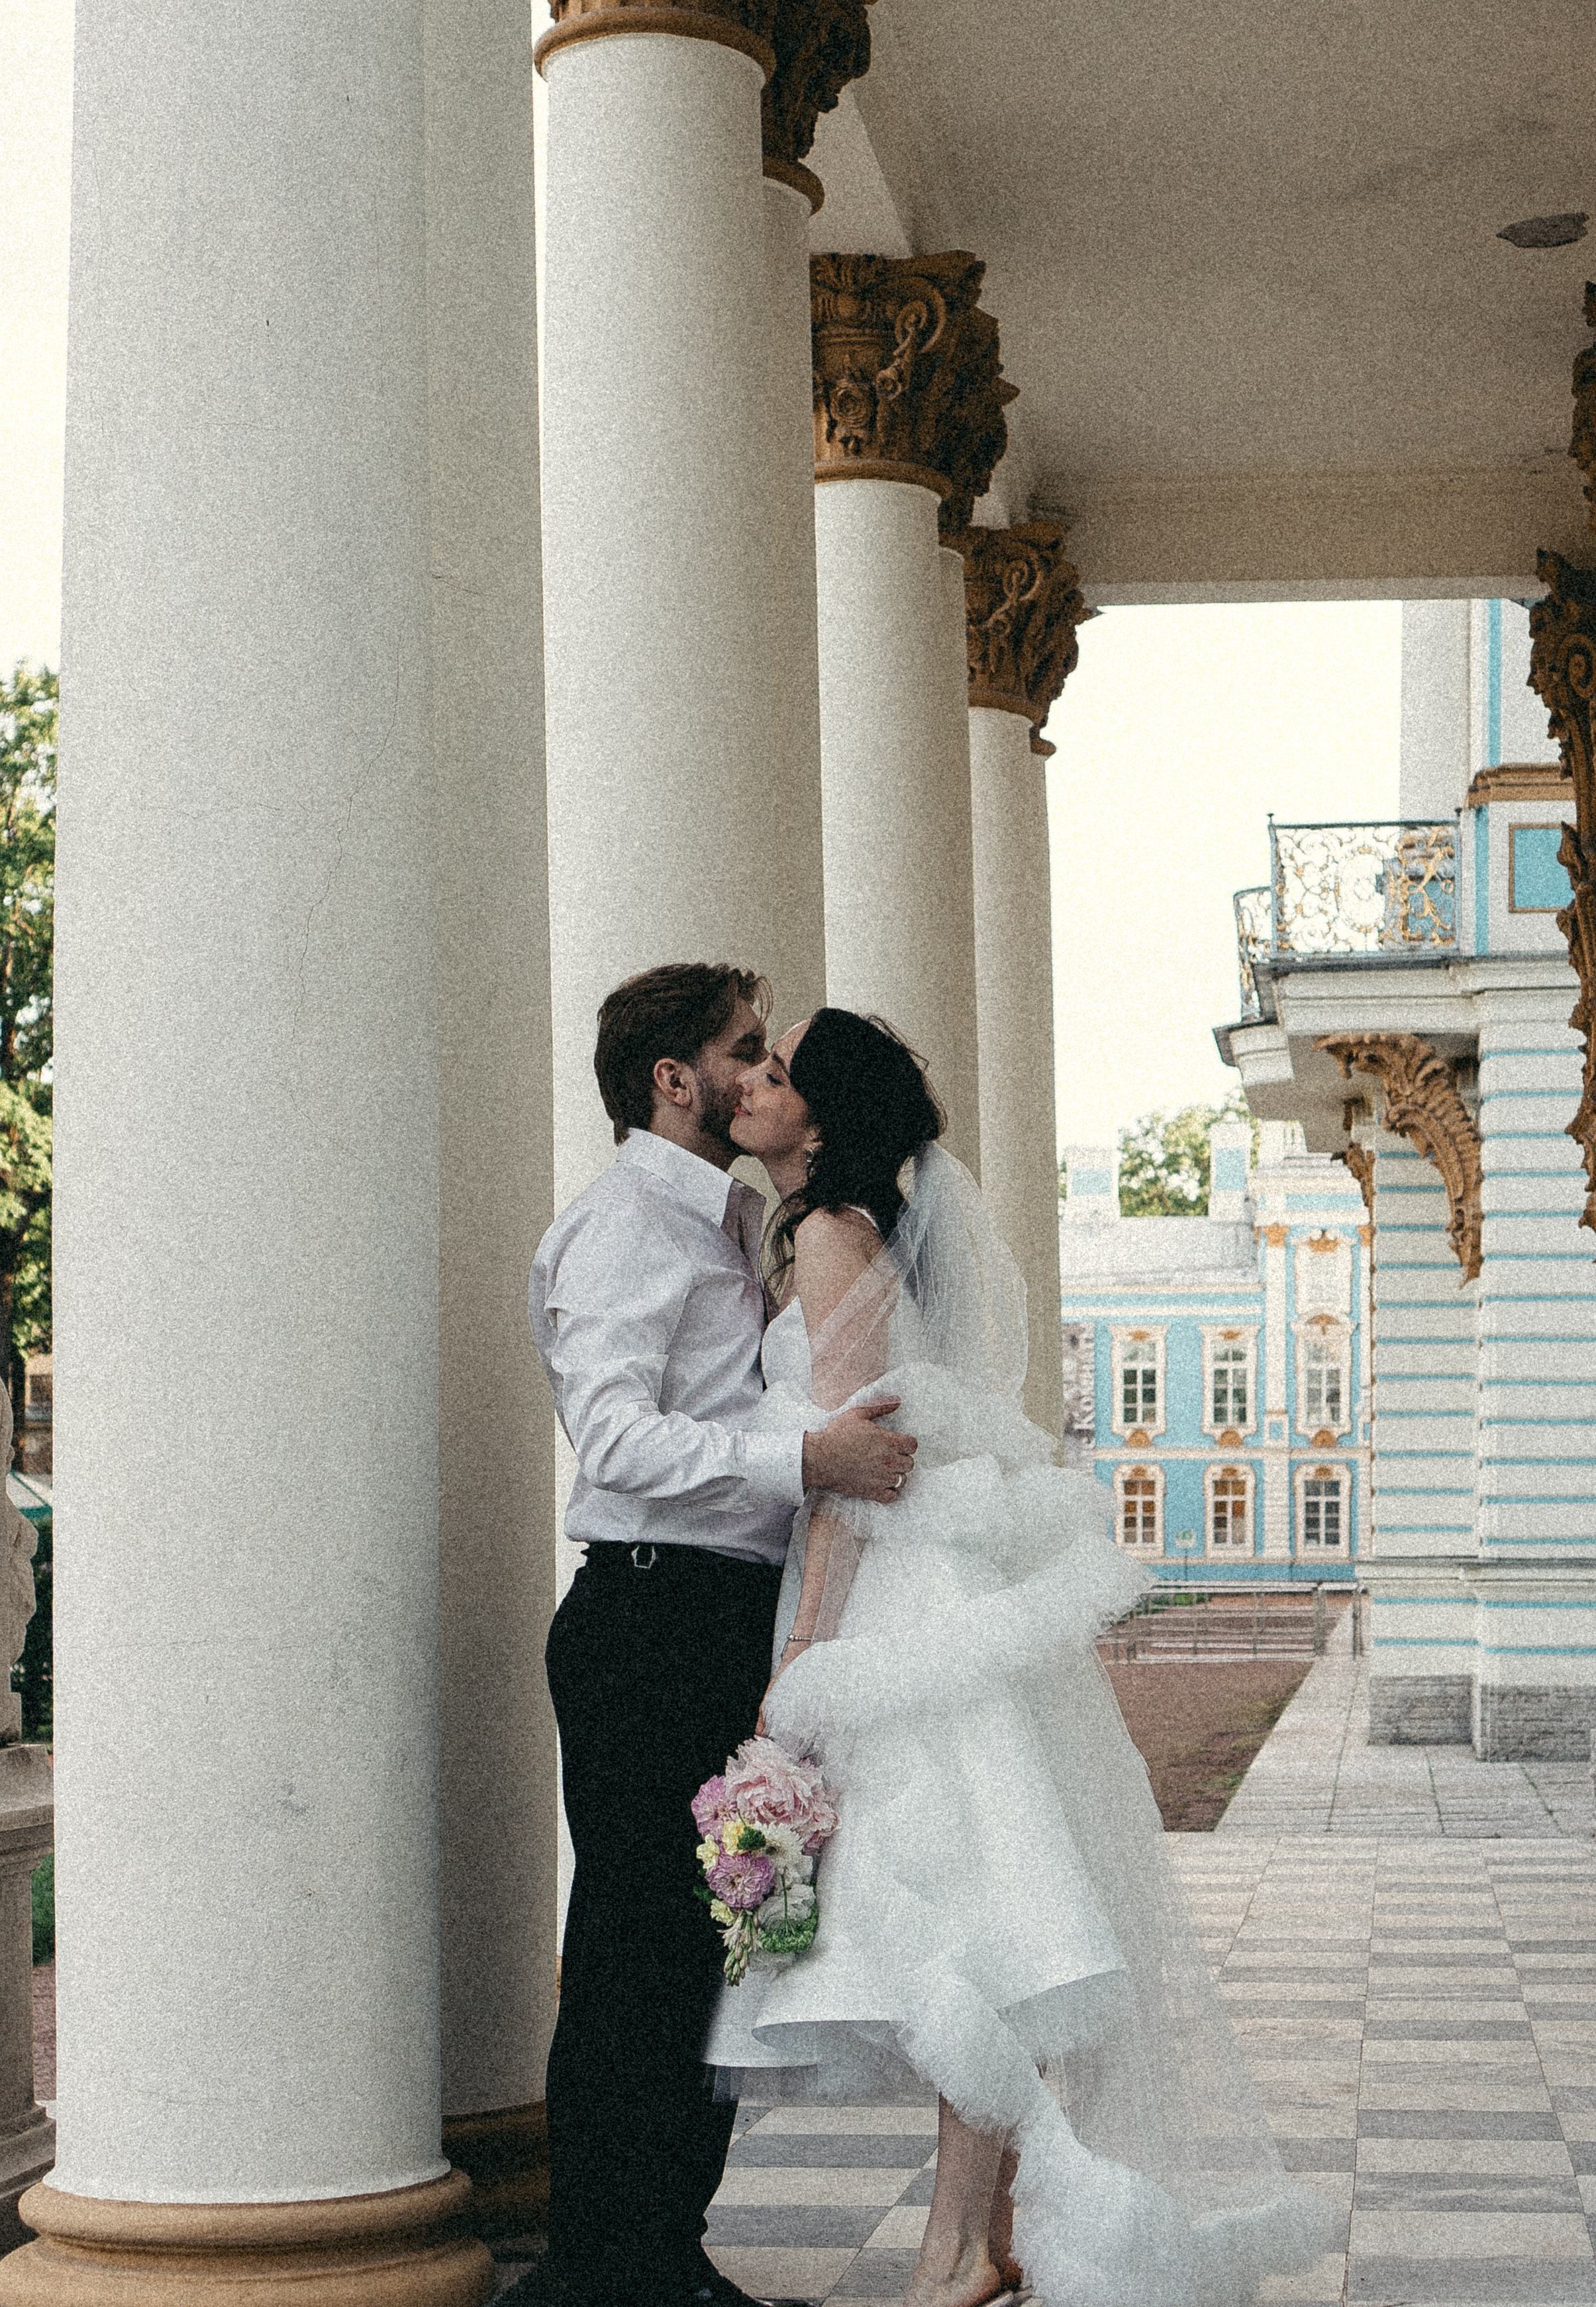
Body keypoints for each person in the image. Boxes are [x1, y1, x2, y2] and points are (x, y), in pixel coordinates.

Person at [715, 1008, 1340, 2307]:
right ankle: (975, 2242)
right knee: (997, 1918)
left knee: (968, 1931)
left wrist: (806, 1668)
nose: (750, 1091)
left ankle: (952, 2254)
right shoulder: (875, 1234)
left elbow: (847, 1476)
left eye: (775, 1077)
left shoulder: (831, 1240)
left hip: (894, 1608)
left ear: (820, 1115)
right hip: (950, 1593)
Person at [527, 963, 919, 2307]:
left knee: (703, 1949)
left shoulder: (720, 1221)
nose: (761, 1074)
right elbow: (618, 1440)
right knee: (639, 1953)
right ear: (669, 1080)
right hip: (645, 1611)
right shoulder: (624, 1227)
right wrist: (803, 1457)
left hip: (707, 1613)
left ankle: (658, 2256)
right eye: (742, 1051)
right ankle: (599, 2270)